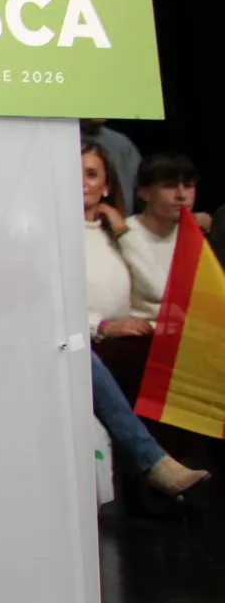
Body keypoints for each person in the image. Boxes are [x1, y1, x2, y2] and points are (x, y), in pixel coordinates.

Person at [80, 142, 210, 498]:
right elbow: (54, 306)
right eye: (73, 174)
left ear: (107, 186)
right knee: (154, 357)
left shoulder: (111, 231)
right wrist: (102, 326)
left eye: (91, 174)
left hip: (125, 339)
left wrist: (121, 230)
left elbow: (158, 290)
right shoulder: (57, 237)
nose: (82, 182)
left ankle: (169, 478)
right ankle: (154, 470)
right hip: (87, 342)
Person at [124, 153, 206, 322]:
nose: (182, 195)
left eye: (188, 186)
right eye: (169, 186)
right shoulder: (123, 233)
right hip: (139, 333)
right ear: (144, 193)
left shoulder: (194, 236)